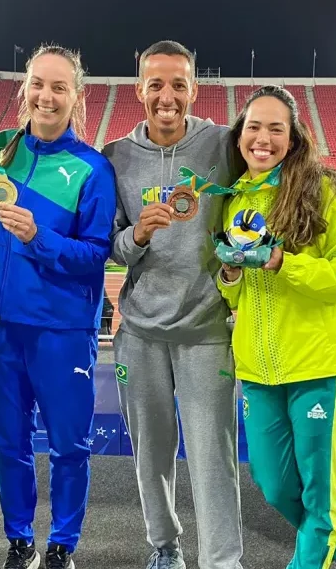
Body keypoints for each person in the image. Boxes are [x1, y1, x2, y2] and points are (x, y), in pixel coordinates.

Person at [217, 85, 336, 569]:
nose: (262, 138)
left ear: (294, 136)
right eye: (253, 127)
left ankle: (326, 545)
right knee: (273, 483)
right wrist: (230, 275)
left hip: (319, 367)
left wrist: (287, 262)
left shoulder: (324, 191)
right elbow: (239, 292)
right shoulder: (235, 198)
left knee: (318, 500)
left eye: (275, 129)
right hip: (260, 371)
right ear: (240, 134)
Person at [104, 39, 246, 569]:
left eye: (178, 84)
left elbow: (262, 190)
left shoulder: (223, 145)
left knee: (214, 459)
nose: (167, 95)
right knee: (151, 454)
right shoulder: (115, 157)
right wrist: (137, 236)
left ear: (194, 89)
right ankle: (164, 547)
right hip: (139, 333)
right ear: (139, 89)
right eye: (156, 84)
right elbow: (112, 250)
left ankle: (222, 561)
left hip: (207, 331)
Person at [0, 44, 117, 569]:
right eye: (38, 83)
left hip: (61, 329)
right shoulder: (1, 150)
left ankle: (62, 545)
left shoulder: (92, 169)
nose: (46, 96)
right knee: (8, 444)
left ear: (76, 97)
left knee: (68, 447)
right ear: (24, 89)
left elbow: (96, 256)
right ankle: (19, 542)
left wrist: (39, 237)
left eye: (59, 87)